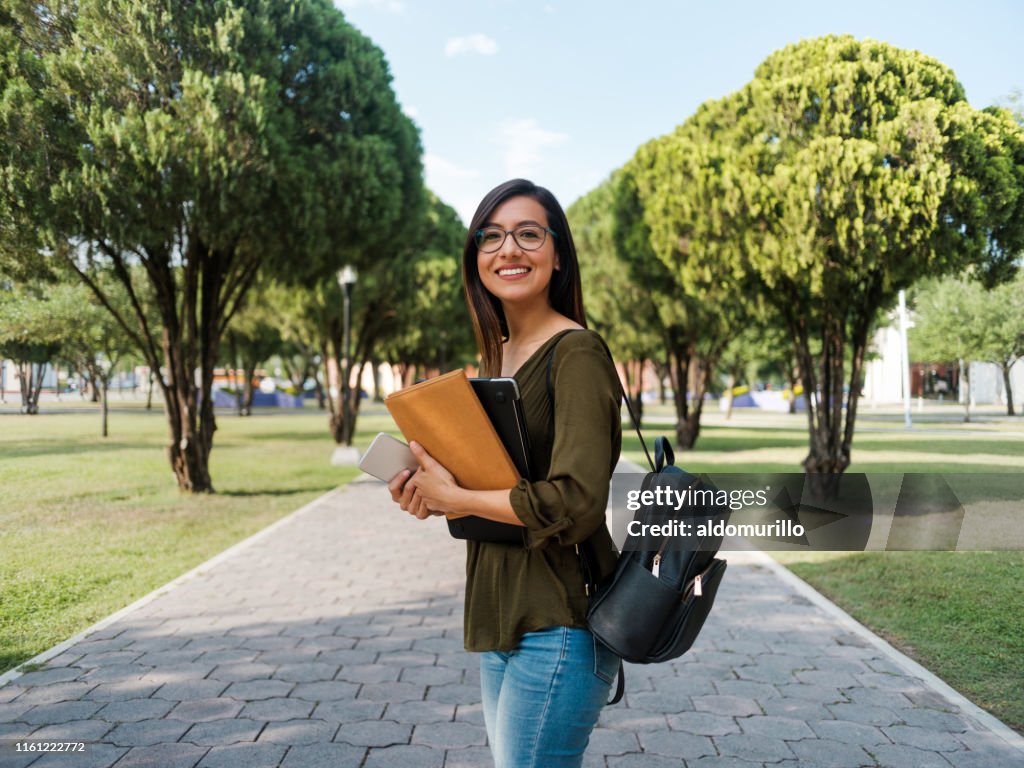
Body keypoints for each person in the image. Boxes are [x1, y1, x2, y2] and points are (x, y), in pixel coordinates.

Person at [387, 178, 623, 767]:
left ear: (558, 252)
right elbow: (492, 488)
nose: (507, 249)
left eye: (527, 234)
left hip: (560, 623)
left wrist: (459, 494)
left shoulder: (577, 353)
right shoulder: (499, 357)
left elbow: (577, 502)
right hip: (503, 618)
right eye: (489, 237)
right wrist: (435, 494)